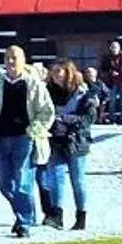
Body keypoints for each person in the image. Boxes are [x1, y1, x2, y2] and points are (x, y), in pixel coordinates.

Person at [0, 43, 57, 238]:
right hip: (1, 138)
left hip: (24, 138)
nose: (10, 61)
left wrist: (35, 129)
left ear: (23, 61)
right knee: (4, 183)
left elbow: (47, 111)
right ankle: (24, 212)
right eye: (7, 57)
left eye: (14, 58)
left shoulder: (33, 84)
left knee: (22, 180)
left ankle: (24, 221)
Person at [44, 60, 97, 230]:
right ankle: (56, 216)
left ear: (68, 72)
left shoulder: (82, 93)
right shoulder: (48, 92)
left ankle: (81, 216)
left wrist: (65, 119)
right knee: (56, 177)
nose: (55, 74)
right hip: (56, 139)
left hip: (76, 141)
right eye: (54, 71)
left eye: (59, 71)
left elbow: (89, 118)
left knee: (78, 179)